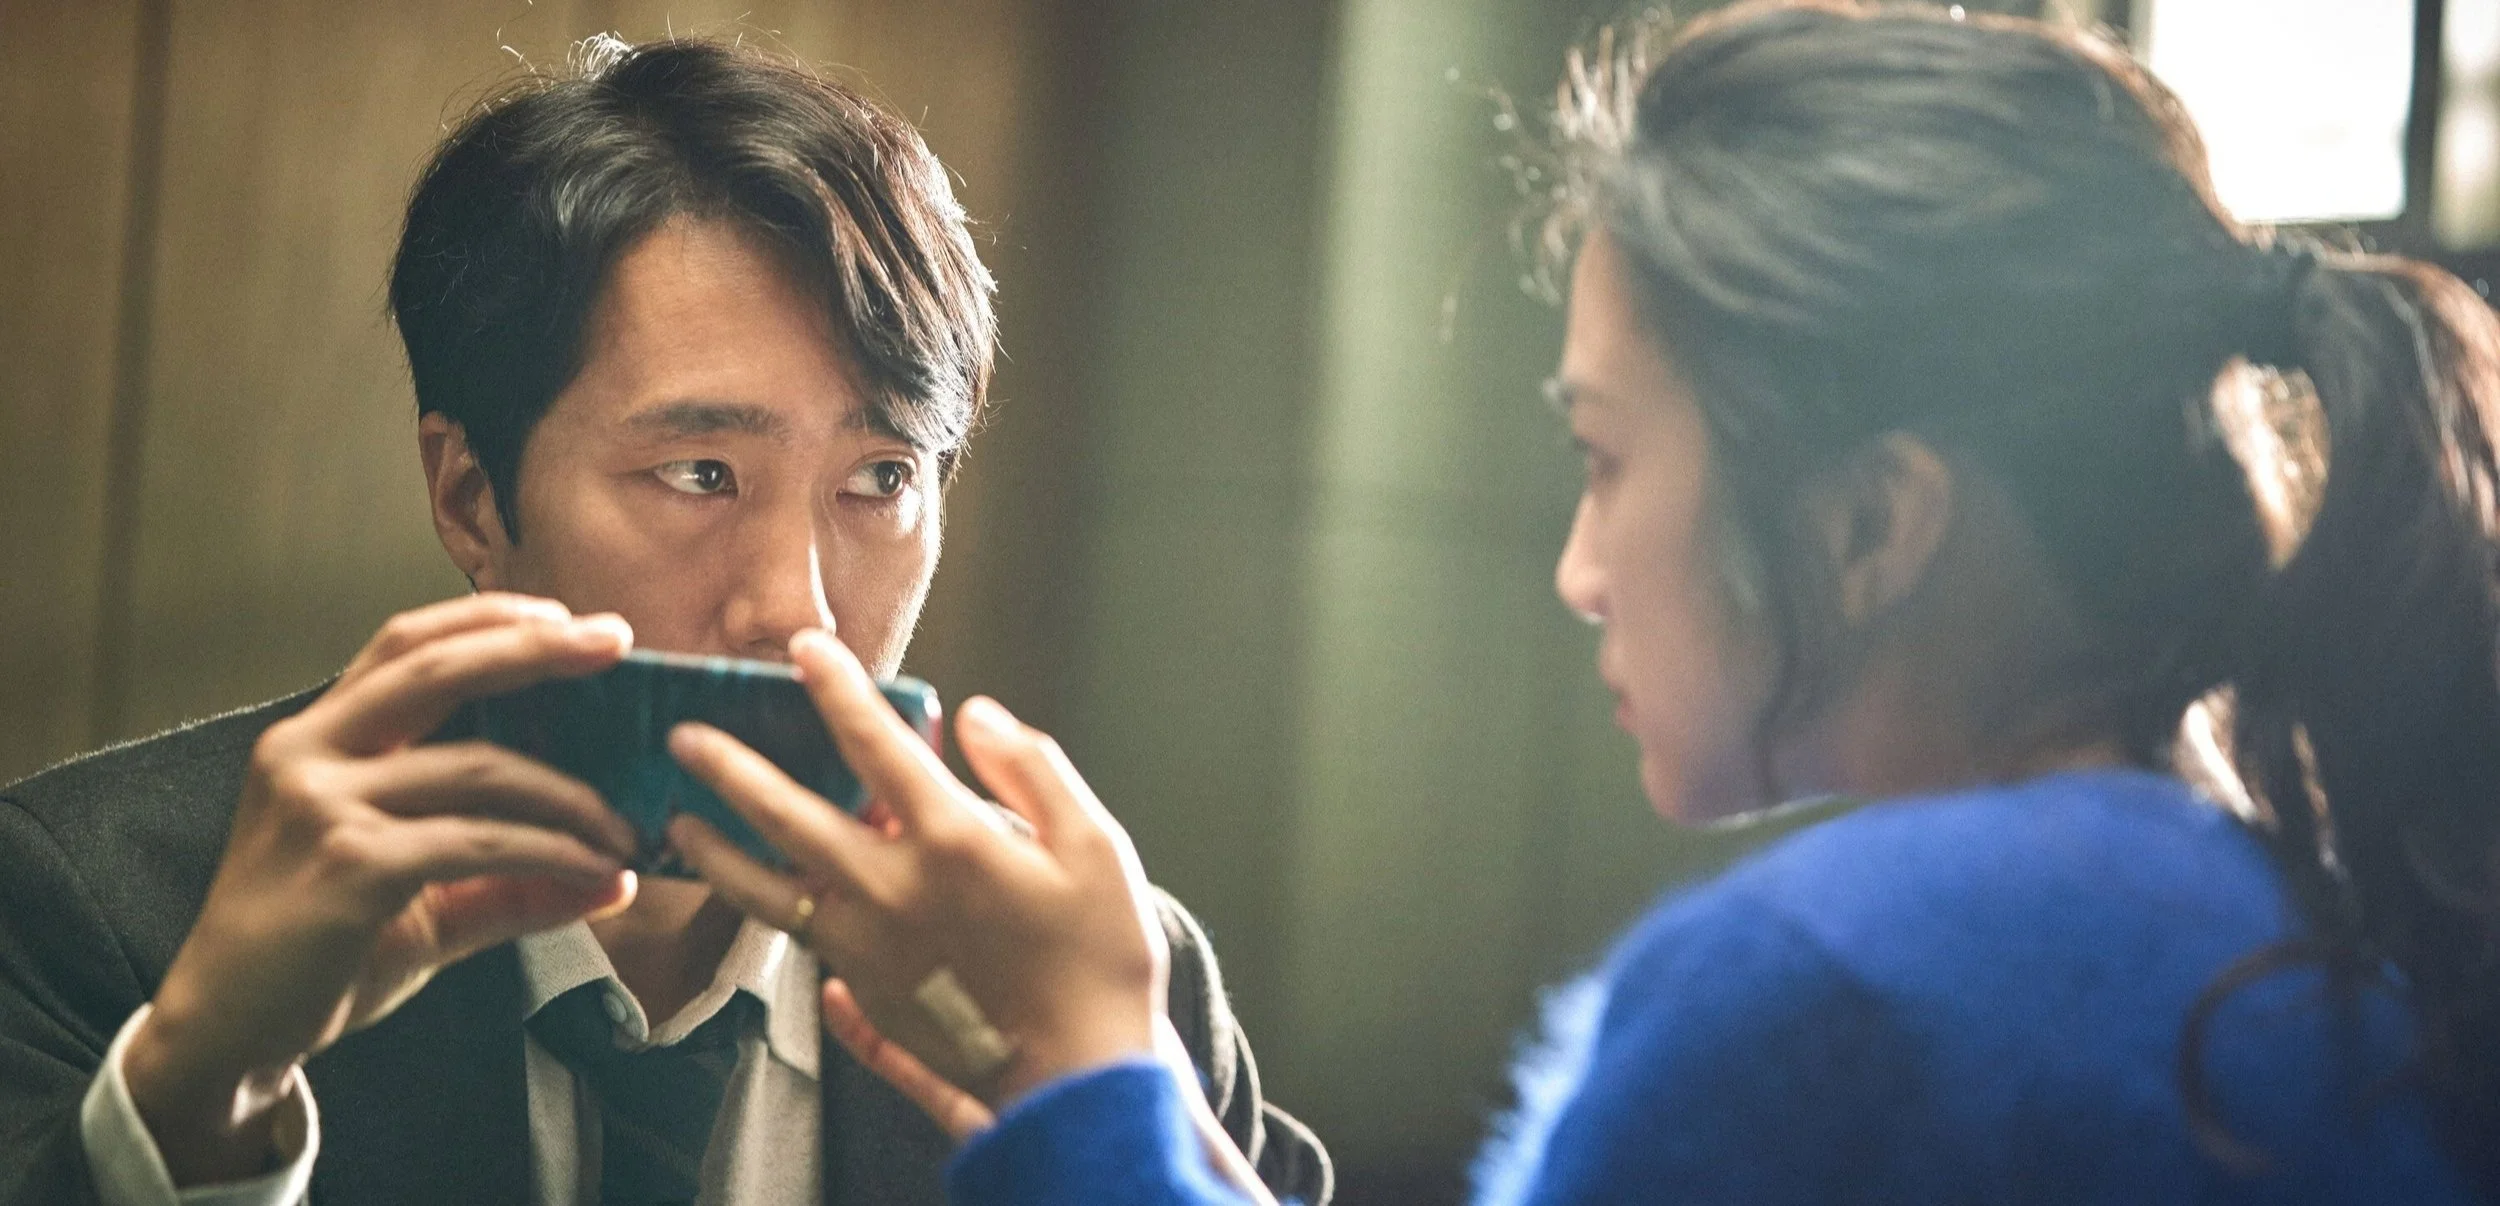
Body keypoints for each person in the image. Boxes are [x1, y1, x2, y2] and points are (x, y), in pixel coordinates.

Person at [651, 2, 2500, 1203]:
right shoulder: (2298, 916)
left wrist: (1084, 1098)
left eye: (1607, 457)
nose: (1578, 566)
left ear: (1873, 526)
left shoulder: (1825, 990)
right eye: (699, 469)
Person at [0, 36, 1326, 1206]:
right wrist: (199, 1090)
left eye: (881, 480)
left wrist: (1103, 1130)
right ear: (472, 497)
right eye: (701, 473)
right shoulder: (96, 911)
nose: (800, 615)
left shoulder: (1100, 981)